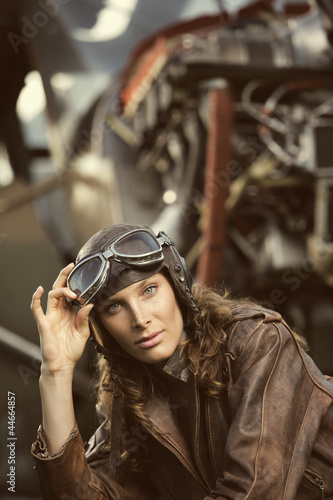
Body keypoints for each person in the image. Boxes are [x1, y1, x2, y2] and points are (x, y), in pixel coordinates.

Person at [30, 223, 333, 500]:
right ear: (101, 328)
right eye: (114, 307)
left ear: (177, 285)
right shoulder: (131, 401)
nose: (140, 319)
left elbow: (252, 490)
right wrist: (55, 371)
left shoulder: (258, 342)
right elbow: (77, 495)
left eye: (149, 290)